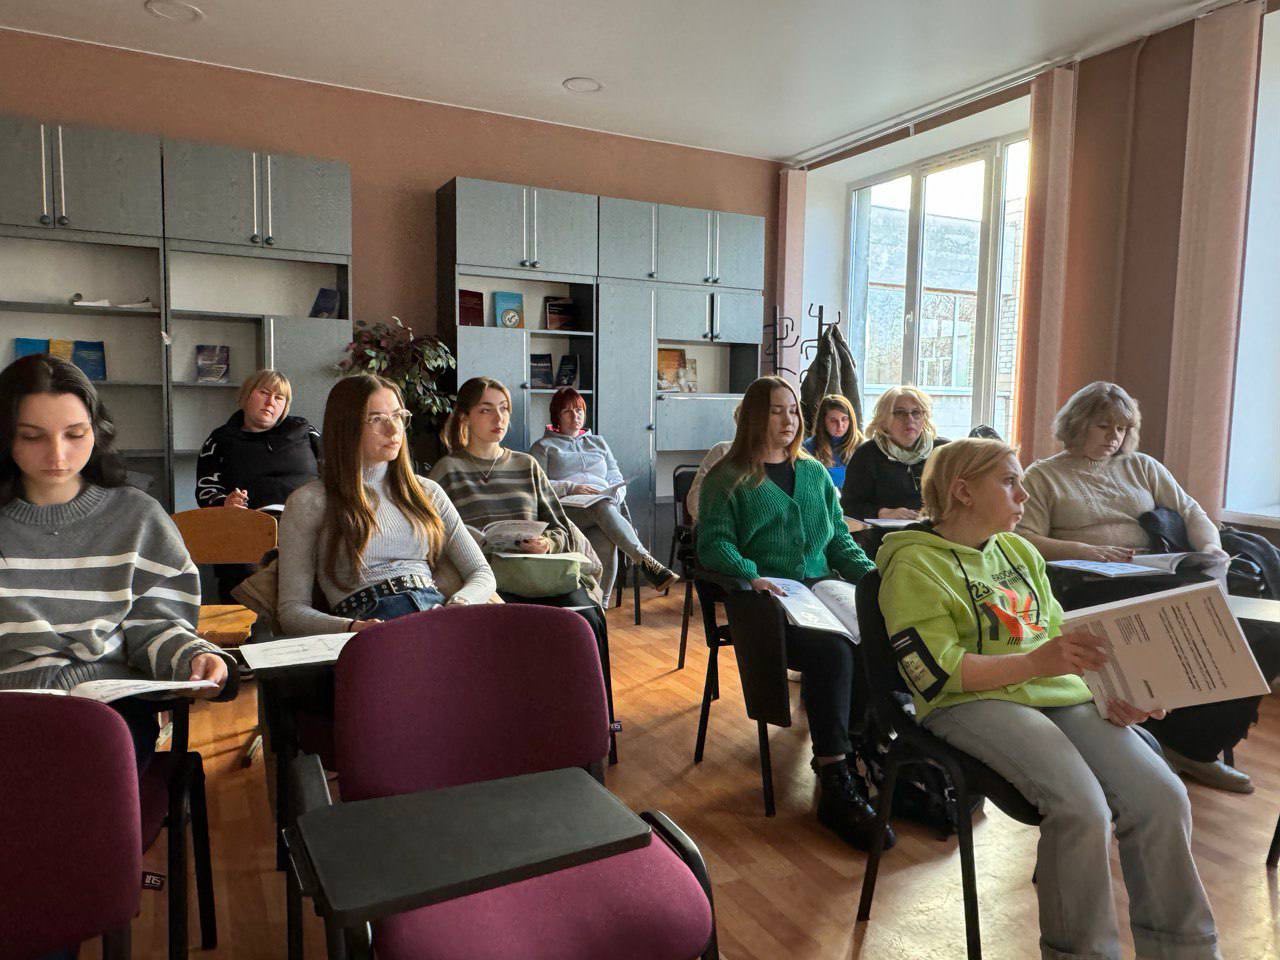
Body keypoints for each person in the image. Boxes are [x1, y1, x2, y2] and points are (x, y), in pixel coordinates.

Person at [878, 438, 1219, 960]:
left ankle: (1185, 952)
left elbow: (1062, 638)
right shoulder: (913, 566)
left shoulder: (1018, 551)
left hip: (1054, 692)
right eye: (1009, 482)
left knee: (1162, 798)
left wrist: (1122, 691)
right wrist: (1038, 664)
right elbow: (935, 672)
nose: (1024, 494)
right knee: (1081, 809)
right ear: (963, 491)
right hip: (968, 699)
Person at [1017, 381, 1259, 793]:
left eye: (1122, 428)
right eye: (1104, 426)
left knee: (1243, 631)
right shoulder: (1043, 476)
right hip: (1086, 581)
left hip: (1155, 572)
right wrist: (1086, 550)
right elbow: (1023, 538)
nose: (1114, 437)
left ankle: (1196, 747)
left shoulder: (1142, 466)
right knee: (1177, 627)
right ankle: (1164, 744)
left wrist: (1211, 548)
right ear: (1077, 424)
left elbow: (1191, 511)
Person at [0, 355, 233, 773]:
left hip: (108, 708)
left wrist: (194, 657)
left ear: (96, 430)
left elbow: (157, 626)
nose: (57, 454)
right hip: (11, 708)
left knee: (87, 768)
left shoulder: (137, 517)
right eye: (32, 437)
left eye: (75, 434)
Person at [697, 375, 890, 850]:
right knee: (833, 652)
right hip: (768, 601)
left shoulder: (814, 473)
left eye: (792, 410)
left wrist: (873, 579)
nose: (788, 420)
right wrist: (750, 574)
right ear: (753, 417)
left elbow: (838, 540)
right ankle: (834, 777)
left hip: (823, 589)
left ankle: (863, 751)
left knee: (874, 635)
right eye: (775, 410)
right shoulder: (728, 477)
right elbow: (713, 543)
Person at [276, 374, 495, 636]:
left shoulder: (426, 492)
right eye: (377, 419)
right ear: (347, 427)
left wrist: (459, 604)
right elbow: (291, 611)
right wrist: (351, 628)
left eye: (398, 416)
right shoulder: (310, 501)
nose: (393, 430)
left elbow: (481, 572)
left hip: (437, 611)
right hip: (367, 622)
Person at [428, 377, 604, 605]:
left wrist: (547, 544)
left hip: (539, 575)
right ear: (465, 417)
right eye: (486, 410)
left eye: (503, 408)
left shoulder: (526, 465)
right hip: (488, 583)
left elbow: (561, 529)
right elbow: (429, 538)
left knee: (584, 614)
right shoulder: (447, 471)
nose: (499, 418)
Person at [529, 387, 676, 597]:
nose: (575, 416)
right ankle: (645, 561)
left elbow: (615, 476)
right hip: (566, 513)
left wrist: (615, 494)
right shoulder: (543, 446)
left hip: (604, 507)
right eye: (568, 411)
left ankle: (601, 604)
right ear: (556, 416)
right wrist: (571, 487)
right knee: (600, 505)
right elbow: (538, 485)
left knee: (606, 536)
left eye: (579, 410)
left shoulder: (598, 442)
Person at [196, 369, 321, 600]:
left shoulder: (305, 431)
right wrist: (225, 503)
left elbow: (334, 471)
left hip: (307, 524)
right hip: (248, 531)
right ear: (246, 396)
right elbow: (206, 489)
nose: (270, 402)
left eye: (279, 397)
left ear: (285, 406)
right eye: (264, 393)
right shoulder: (220, 440)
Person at [841, 386, 948, 521]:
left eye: (916, 412)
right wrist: (882, 513)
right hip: (885, 531)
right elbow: (848, 506)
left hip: (935, 528)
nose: (909, 419)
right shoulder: (867, 454)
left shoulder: (943, 451)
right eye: (900, 413)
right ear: (884, 420)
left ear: (924, 418)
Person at [803, 393, 863, 489]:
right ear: (823, 422)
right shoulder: (809, 447)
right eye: (833, 421)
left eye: (844, 419)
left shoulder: (862, 446)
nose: (840, 426)